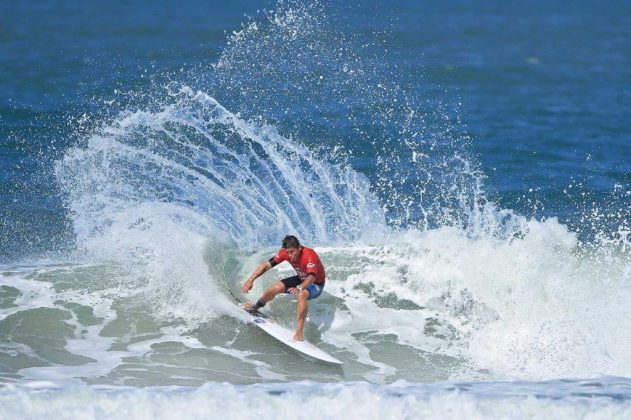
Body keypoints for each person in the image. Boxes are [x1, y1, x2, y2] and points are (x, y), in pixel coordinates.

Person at [242, 235, 326, 341]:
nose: (290, 256)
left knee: (302, 294)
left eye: (292, 252)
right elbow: (266, 265)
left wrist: (300, 288)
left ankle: (299, 333)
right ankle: (256, 307)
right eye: (287, 253)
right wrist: (250, 280)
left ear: (299, 248)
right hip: (300, 278)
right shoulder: (285, 253)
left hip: (316, 284)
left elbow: (311, 277)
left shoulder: (309, 255)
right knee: (275, 288)